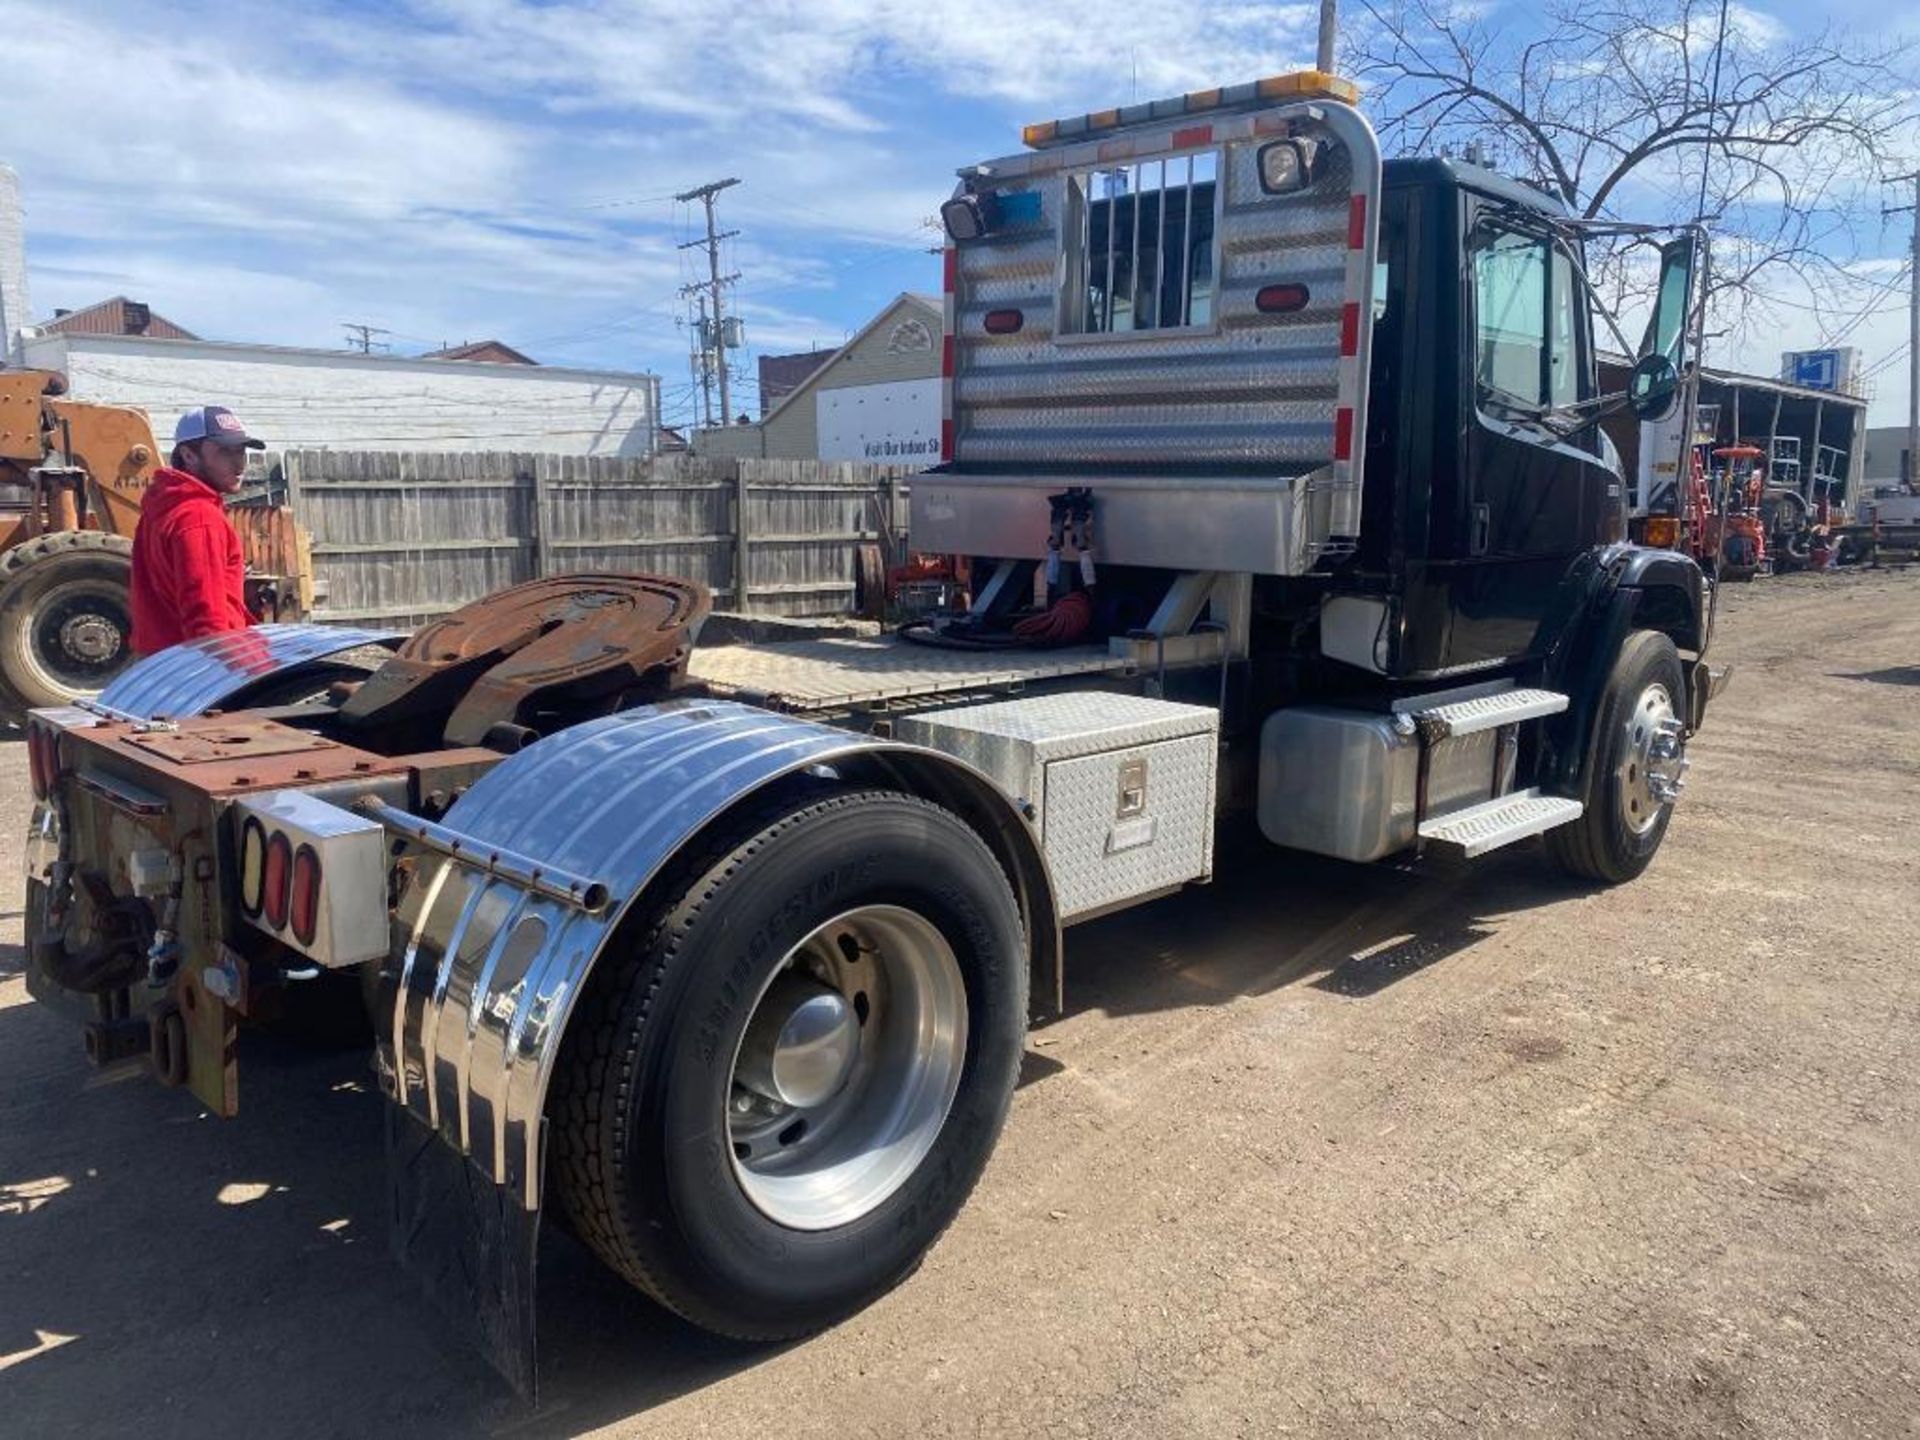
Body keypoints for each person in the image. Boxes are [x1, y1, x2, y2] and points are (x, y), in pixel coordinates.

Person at [129, 405, 265, 655]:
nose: (239, 464)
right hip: (204, 669)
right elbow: (207, 623)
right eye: (226, 452)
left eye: (241, 452)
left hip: (164, 665)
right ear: (189, 456)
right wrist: (250, 676)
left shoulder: (161, 509)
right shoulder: (198, 516)